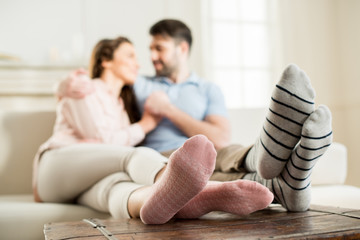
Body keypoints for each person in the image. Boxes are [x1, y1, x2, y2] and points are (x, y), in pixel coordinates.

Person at [58, 19, 333, 212]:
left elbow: (221, 136)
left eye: (159, 48)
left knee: (222, 151)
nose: (150, 56)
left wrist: (169, 111)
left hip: (214, 151)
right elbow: (103, 83)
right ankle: (293, 179)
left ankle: (263, 156)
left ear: (182, 49)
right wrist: (64, 86)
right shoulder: (140, 84)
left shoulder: (207, 89)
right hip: (161, 157)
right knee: (196, 174)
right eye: (150, 48)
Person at [33, 36, 274, 225]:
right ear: (106, 60)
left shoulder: (121, 106)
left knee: (118, 190)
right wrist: (147, 124)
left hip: (88, 182)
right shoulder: (83, 86)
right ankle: (191, 184)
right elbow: (103, 141)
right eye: (129, 55)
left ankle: (162, 201)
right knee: (132, 155)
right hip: (55, 168)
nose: (138, 63)